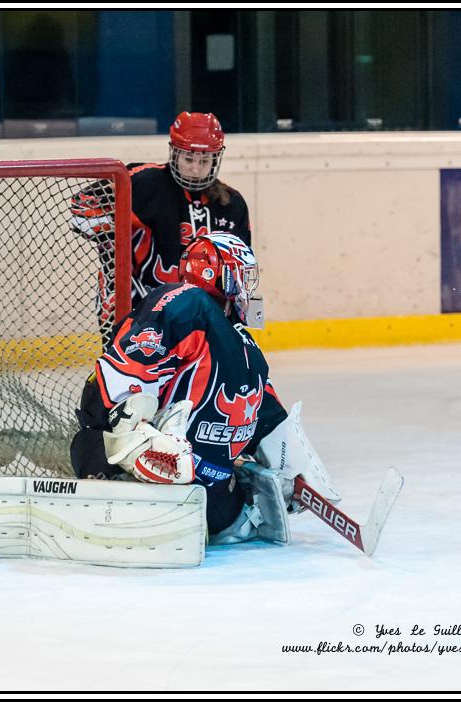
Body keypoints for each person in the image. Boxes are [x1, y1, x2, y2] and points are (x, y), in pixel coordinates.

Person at [69, 233, 339, 542]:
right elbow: (126, 370)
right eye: (241, 275)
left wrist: (291, 468)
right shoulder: (188, 303)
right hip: (141, 470)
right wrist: (134, 439)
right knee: (102, 442)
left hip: (204, 492)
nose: (247, 288)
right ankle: (118, 475)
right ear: (215, 274)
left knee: (223, 507)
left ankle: (227, 501)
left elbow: (267, 416)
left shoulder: (245, 346)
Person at [70, 112, 254, 323]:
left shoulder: (231, 204)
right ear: (174, 153)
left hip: (202, 315)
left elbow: (242, 270)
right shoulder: (144, 182)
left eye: (204, 160)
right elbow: (82, 206)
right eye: (188, 158)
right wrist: (115, 240)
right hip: (135, 308)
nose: (195, 168)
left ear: (215, 159)